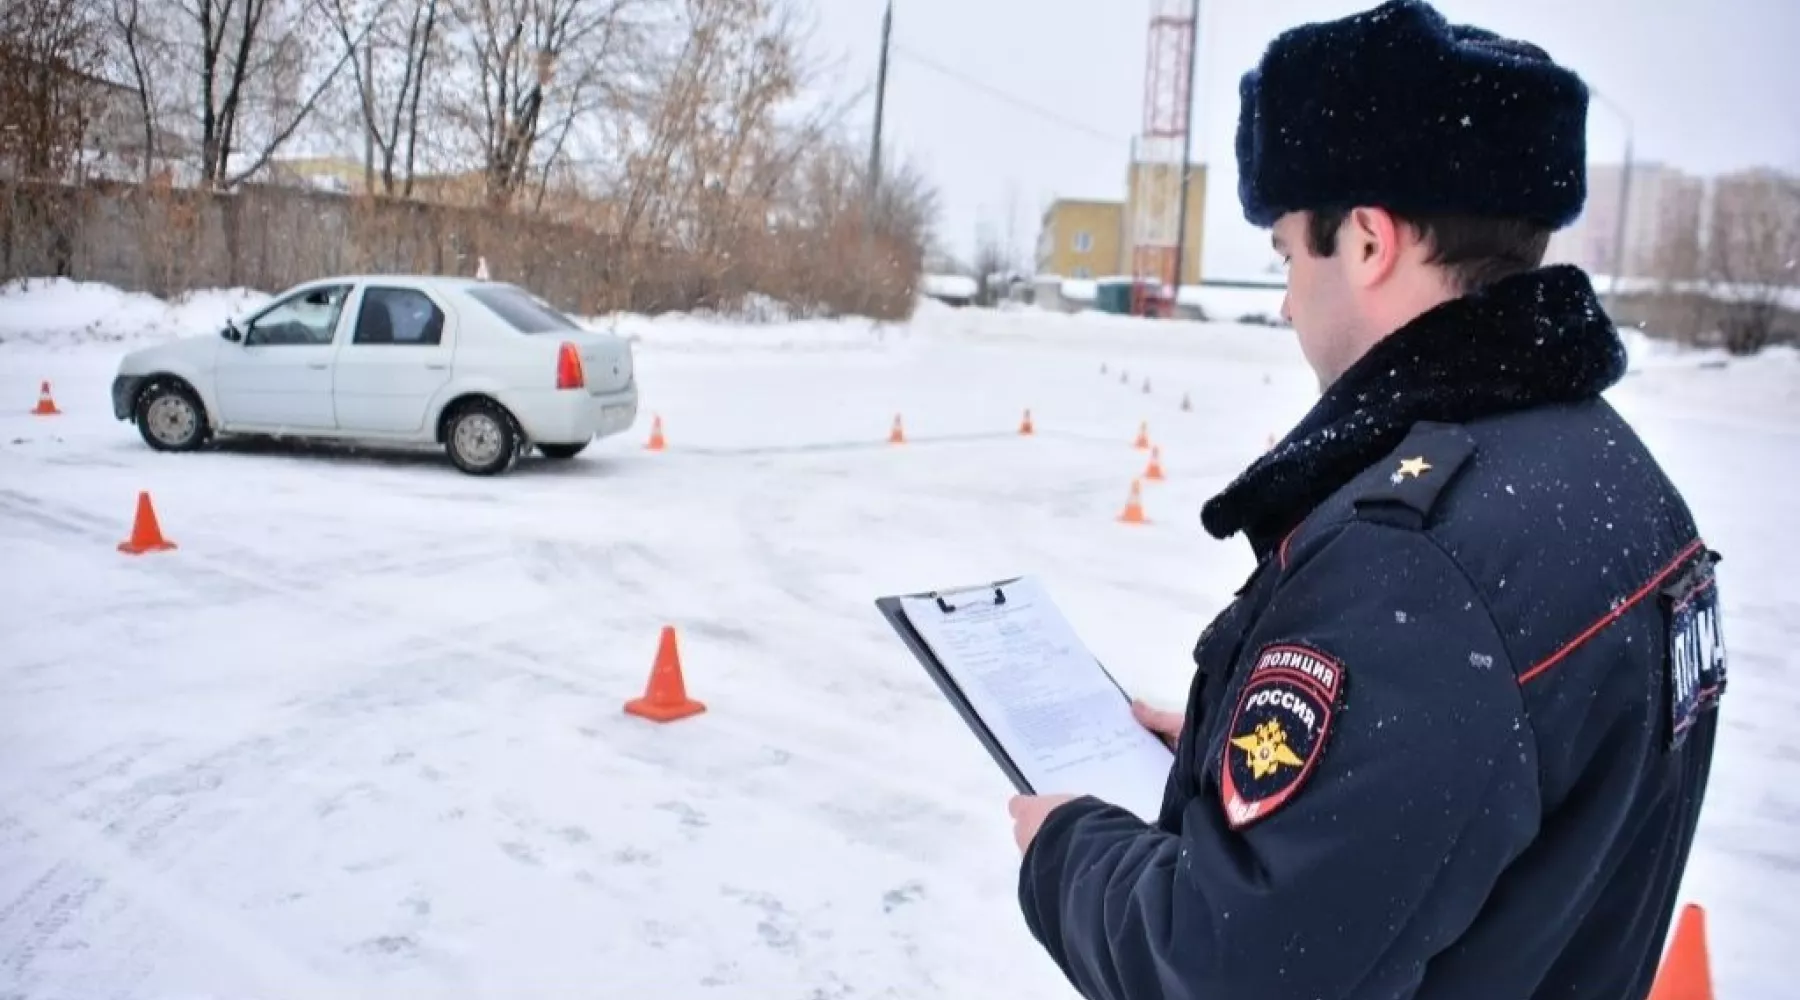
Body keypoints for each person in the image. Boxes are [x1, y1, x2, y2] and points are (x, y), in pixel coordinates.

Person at [1004, 2, 1727, 999]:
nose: (1289, 299)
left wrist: (1065, 850)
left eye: (1292, 255)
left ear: (1371, 242)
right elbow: (1484, 808)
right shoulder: (1618, 478)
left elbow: (1230, 970)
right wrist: (1255, 766)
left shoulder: (1418, 568)